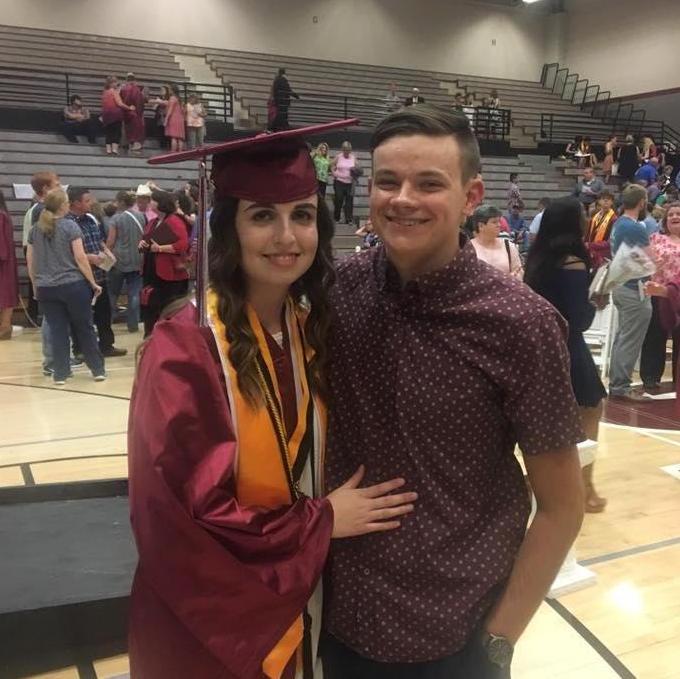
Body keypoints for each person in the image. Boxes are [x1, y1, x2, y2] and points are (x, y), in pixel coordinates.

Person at [128, 121, 416, 679]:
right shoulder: (185, 349)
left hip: (302, 598)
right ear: (229, 229)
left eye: (301, 215)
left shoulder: (310, 331)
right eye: (262, 216)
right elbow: (181, 519)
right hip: (214, 626)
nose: (287, 236)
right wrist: (321, 523)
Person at [323, 106, 585, 679]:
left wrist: (497, 642)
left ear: (472, 197)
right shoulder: (338, 291)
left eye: (429, 183)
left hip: (456, 636)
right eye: (388, 181)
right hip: (339, 617)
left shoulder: (521, 324)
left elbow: (563, 506)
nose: (403, 199)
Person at [524, 197, 608, 513]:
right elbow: (579, 319)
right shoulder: (572, 263)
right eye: (583, 214)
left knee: (547, 419)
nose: (587, 218)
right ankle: (584, 488)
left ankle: (537, 484)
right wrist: (596, 300)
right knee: (590, 408)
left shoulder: (538, 260)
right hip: (569, 347)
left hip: (540, 346)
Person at [26, 190, 105, 385]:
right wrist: (92, 282)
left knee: (58, 331)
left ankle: (60, 373)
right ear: (63, 206)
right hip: (73, 285)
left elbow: (31, 261)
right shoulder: (70, 226)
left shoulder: (35, 230)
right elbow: (80, 258)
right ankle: (97, 369)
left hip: (46, 287)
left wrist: (35, 285)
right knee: (84, 327)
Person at [66, 186, 127, 358]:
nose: (91, 203)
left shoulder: (91, 219)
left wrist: (107, 252)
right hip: (79, 276)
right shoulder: (66, 223)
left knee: (104, 312)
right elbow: (65, 252)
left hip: (100, 274)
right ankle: (80, 349)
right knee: (80, 315)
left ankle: (106, 345)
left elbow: (99, 240)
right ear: (75, 203)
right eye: (87, 200)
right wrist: (88, 258)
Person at [608, 183, 653, 400]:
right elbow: (649, 260)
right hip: (634, 287)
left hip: (621, 285)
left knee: (623, 336)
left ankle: (618, 382)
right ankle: (621, 385)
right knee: (630, 339)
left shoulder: (619, 223)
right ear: (642, 202)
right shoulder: (635, 227)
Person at [139, 189, 190, 336]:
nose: (150, 203)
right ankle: (151, 335)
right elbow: (146, 240)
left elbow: (183, 245)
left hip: (169, 274)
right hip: (151, 269)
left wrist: (161, 248)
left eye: (152, 200)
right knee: (150, 305)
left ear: (160, 203)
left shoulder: (174, 221)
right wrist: (142, 244)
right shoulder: (153, 222)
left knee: (167, 306)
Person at [640, 202, 680, 390]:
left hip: (678, 295)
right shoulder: (656, 239)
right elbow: (642, 262)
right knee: (655, 336)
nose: (675, 217)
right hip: (659, 293)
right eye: (670, 214)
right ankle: (650, 376)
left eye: (678, 214)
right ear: (665, 220)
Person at [106, 190, 146, 333]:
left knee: (112, 293)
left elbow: (111, 241)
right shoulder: (141, 216)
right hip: (137, 258)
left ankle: (108, 322)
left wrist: (106, 255)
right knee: (134, 293)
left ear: (121, 202)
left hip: (119, 260)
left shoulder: (116, 219)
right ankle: (133, 324)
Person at [470, 204, 523, 278]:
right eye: (494, 222)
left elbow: (518, 271)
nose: (499, 225)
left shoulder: (508, 246)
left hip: (507, 284)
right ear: (481, 226)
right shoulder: (469, 248)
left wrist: (507, 280)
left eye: (499, 221)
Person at [101, 75, 135, 156]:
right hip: (115, 115)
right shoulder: (114, 92)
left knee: (109, 133)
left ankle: (108, 150)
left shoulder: (105, 92)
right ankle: (114, 150)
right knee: (116, 132)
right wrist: (129, 108)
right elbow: (120, 103)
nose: (117, 83)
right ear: (112, 83)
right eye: (116, 82)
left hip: (106, 115)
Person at [0, 190, 18, 340]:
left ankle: (5, 327)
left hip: (3, 261)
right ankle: (5, 326)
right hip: (6, 260)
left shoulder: (1, 216)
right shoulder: (4, 214)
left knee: (5, 293)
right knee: (6, 293)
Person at [586, 191, 617, 269]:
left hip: (604, 255)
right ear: (599, 201)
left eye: (608, 199)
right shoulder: (594, 218)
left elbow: (610, 242)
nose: (606, 201)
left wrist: (590, 245)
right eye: (603, 199)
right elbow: (588, 236)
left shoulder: (614, 219)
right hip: (592, 253)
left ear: (612, 202)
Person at [331, 141, 358, 224]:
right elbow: (332, 165)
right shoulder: (338, 156)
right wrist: (334, 173)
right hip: (339, 181)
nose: (347, 152)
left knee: (349, 201)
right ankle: (337, 218)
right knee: (339, 199)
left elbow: (358, 168)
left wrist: (355, 173)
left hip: (349, 183)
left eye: (348, 150)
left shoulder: (353, 158)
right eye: (345, 150)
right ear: (343, 149)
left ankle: (349, 219)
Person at [120, 72, 146, 152]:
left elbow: (120, 101)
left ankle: (125, 144)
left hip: (125, 112)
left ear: (126, 80)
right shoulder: (137, 90)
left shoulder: (123, 89)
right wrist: (139, 113)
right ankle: (135, 145)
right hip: (134, 113)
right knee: (135, 131)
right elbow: (139, 103)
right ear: (134, 80)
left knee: (125, 129)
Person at [164, 84, 186, 152]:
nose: (169, 91)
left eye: (170, 89)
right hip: (180, 119)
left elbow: (170, 110)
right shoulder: (179, 99)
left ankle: (173, 151)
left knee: (174, 137)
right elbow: (183, 110)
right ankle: (180, 152)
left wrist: (166, 119)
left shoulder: (172, 98)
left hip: (174, 118)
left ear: (172, 90)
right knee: (180, 137)